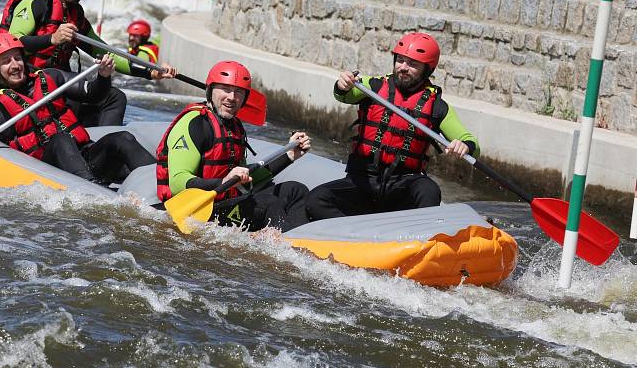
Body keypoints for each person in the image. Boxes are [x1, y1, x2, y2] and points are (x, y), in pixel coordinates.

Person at [0, 33, 155, 185]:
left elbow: (93, 93)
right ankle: (96, 192)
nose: (15, 65)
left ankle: (163, 184)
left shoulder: (51, 77)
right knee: (61, 139)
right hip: (47, 167)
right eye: (6, 61)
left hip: (85, 155)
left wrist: (104, 77)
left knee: (122, 138)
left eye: (17, 58)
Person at [305, 32, 480, 220]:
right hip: (363, 180)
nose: (403, 67)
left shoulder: (438, 106)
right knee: (316, 200)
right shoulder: (371, 86)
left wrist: (465, 146)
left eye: (412, 64)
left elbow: (471, 144)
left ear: (427, 69)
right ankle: (352, 237)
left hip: (404, 183)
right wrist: (343, 85)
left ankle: (412, 241)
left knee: (429, 190)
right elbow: (343, 95)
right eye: (401, 60)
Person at [0, 0, 176, 127]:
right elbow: (11, 45)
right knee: (73, 100)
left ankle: (107, 145)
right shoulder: (36, 3)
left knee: (114, 98)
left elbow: (105, 52)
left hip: (59, 83)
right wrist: (52, 38)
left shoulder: (76, 16)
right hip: (27, 83)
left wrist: (150, 72)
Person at [156, 60, 311, 232]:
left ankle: (305, 237)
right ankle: (292, 248)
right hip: (202, 209)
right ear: (210, 90)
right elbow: (178, 183)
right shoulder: (194, 124)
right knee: (270, 204)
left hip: (228, 200)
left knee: (295, 189)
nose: (231, 97)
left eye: (238, 92)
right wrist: (223, 181)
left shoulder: (233, 126)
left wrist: (289, 156)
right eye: (225, 89)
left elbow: (245, 180)